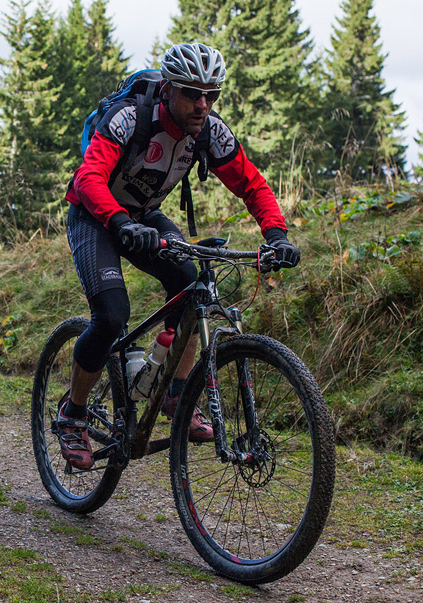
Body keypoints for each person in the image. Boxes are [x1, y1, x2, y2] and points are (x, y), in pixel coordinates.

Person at [59, 42, 301, 470]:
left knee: (193, 289)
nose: (202, 105)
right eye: (192, 93)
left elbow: (252, 184)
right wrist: (121, 223)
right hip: (94, 216)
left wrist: (276, 234)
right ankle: (73, 415)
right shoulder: (129, 118)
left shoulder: (209, 130)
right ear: (168, 89)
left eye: (212, 95)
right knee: (112, 316)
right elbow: (89, 177)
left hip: (143, 216)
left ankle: (176, 395)